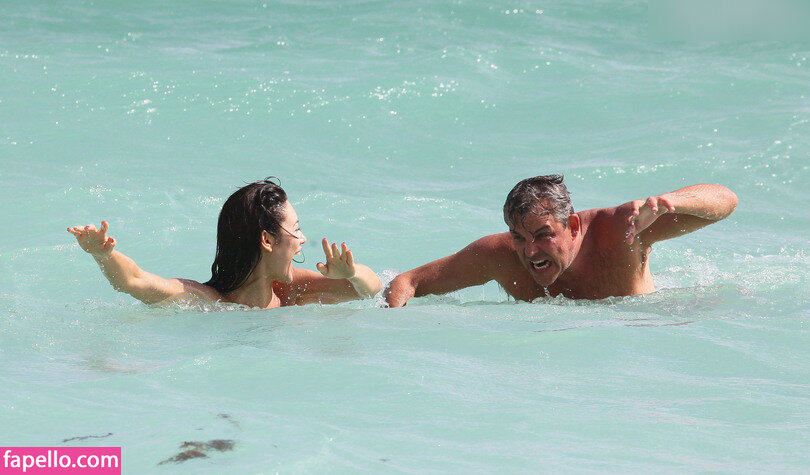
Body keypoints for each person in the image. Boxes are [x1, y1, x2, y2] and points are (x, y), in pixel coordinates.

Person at [385, 175, 738, 306]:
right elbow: (408, 282)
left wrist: (670, 202)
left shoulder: (622, 229)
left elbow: (726, 200)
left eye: (543, 235)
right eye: (519, 238)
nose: (530, 251)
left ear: (572, 225)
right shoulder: (497, 255)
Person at [67, 178, 382, 309]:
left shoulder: (292, 292)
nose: (302, 240)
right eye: (296, 230)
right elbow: (134, 281)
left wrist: (352, 273)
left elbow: (370, 290)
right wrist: (102, 255)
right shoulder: (206, 301)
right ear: (267, 240)